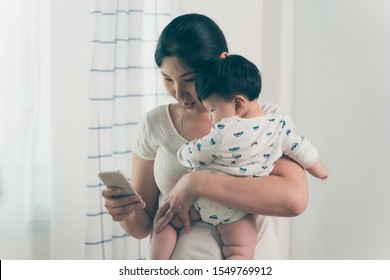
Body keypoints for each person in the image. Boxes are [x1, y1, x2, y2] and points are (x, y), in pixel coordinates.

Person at [102, 13, 311, 260]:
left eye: (190, 80)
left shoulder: (264, 121)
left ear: (222, 62)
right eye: (168, 79)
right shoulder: (155, 124)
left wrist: (196, 183)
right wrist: (125, 212)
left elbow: (294, 199)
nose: (179, 93)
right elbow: (144, 226)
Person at [149, 54, 328, 259]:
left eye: (213, 109)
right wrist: (318, 168)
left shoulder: (224, 131)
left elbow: (194, 154)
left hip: (204, 202)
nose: (211, 117)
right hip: (238, 211)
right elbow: (300, 148)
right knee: (240, 251)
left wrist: (183, 152)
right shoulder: (279, 125)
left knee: (166, 221)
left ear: (237, 104)